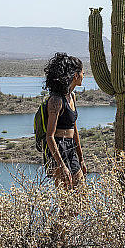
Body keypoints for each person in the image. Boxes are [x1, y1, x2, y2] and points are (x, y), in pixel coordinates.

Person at [43, 52, 86, 189]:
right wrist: (61, 166)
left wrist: (81, 158)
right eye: (83, 73)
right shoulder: (56, 100)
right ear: (75, 75)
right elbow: (50, 136)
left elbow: (74, 131)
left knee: (82, 199)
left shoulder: (72, 97)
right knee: (67, 202)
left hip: (71, 148)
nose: (83, 76)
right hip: (59, 150)